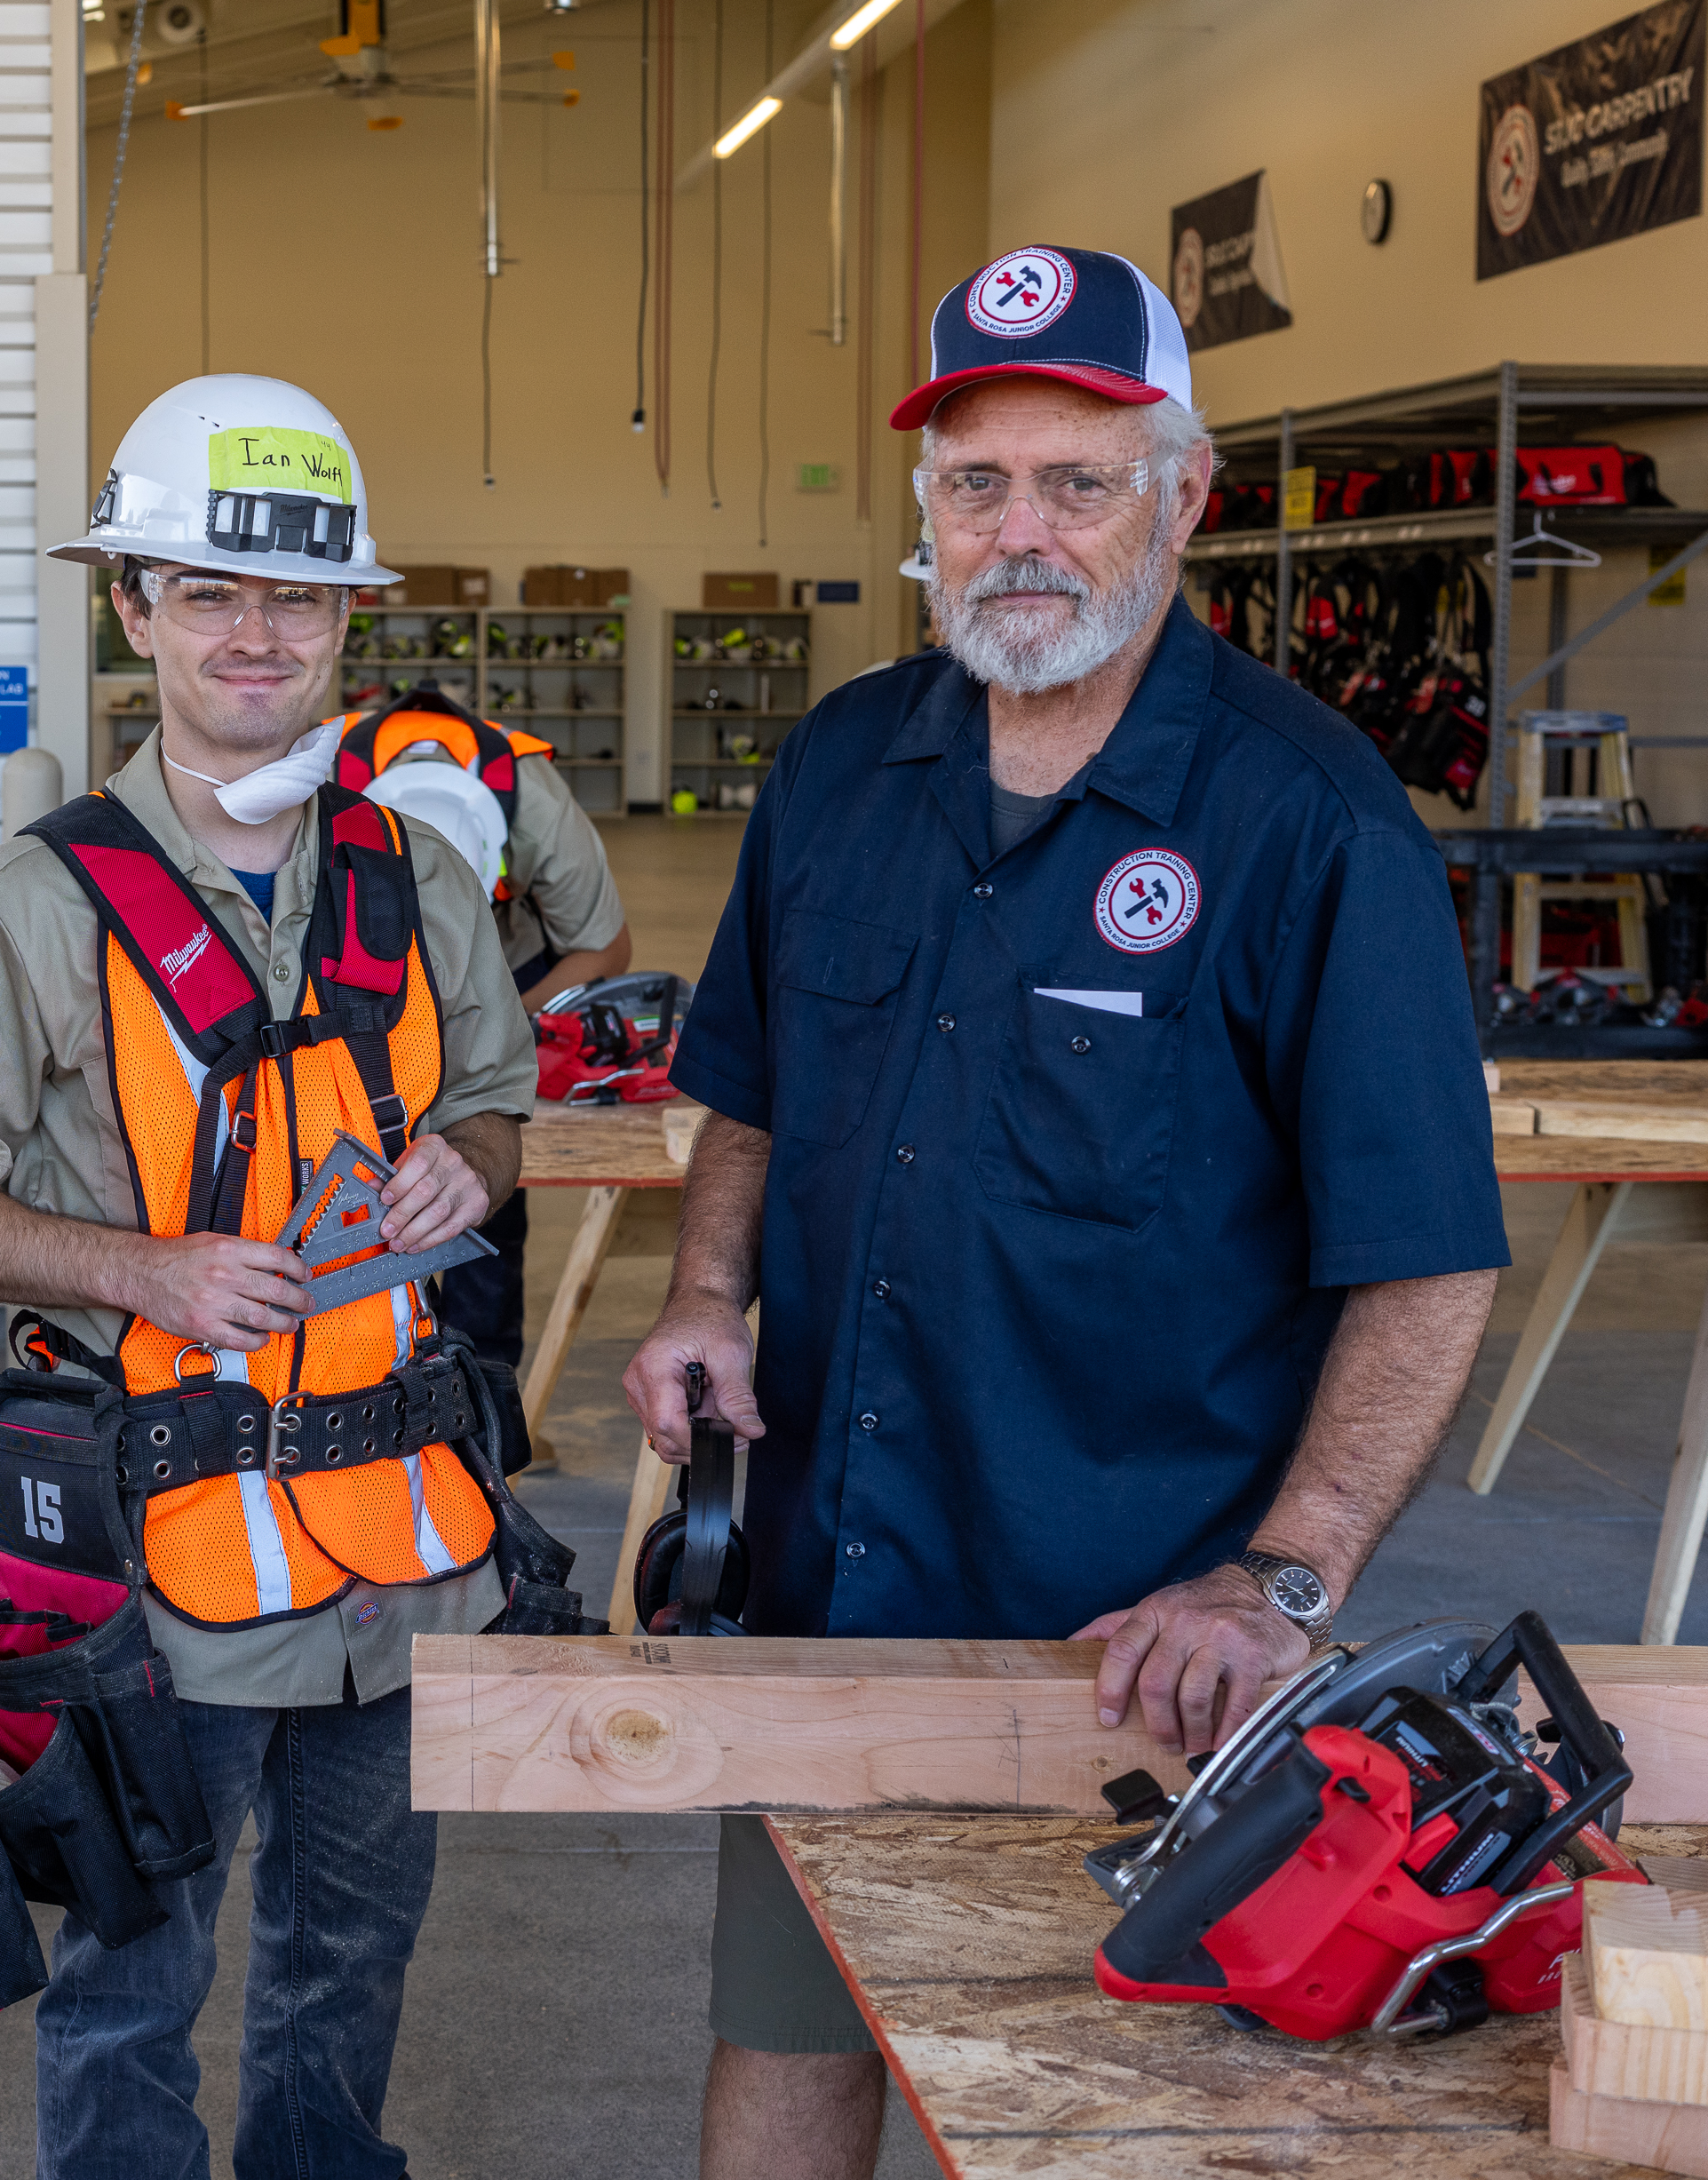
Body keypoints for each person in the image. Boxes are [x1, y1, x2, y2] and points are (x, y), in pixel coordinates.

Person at [620, 245, 1509, 2180]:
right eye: (973, 483)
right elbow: (754, 1090)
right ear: (925, 507)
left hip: (1131, 1647)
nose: (1017, 533)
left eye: (1074, 480)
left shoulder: (1310, 822)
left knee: (1101, 2103)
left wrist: (1279, 1577)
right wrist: (702, 1293)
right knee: (789, 2032)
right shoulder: (844, 762)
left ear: (1182, 495)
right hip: (828, 1589)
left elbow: (1426, 1251)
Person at [0, 373, 537, 2180]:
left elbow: (492, 1105)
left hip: (399, 1554)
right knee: (130, 1973)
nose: (256, 633)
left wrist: (465, 1162)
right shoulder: (33, 900)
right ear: (131, 605)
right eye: (207, 589)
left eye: (298, 598)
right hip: (156, 1569)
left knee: (350, 1964)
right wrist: (137, 1265)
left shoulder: (417, 876)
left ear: (343, 621)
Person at [327, 681, 632, 1368]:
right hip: (347, 954)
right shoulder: (318, 774)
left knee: (483, 1162)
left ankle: (480, 1376)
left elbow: (606, 946)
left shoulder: (534, 800)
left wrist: (500, 1026)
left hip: (508, 966)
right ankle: (351, 1355)